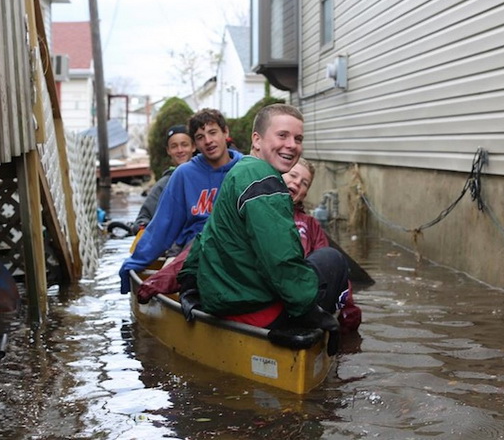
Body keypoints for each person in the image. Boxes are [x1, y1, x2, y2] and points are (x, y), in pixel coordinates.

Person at [178, 104, 348, 354]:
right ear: (256, 140)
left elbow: (207, 235)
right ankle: (298, 329)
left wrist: (189, 283)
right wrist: (311, 312)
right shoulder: (265, 181)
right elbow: (281, 259)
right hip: (253, 310)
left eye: (298, 138)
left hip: (221, 299)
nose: (292, 145)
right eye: (282, 136)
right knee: (332, 259)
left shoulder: (239, 171)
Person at [118, 109, 243, 294]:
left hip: (237, 249)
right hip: (191, 250)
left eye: (213, 132)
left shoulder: (246, 168)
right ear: (196, 143)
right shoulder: (183, 174)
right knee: (171, 282)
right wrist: (135, 262)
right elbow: (163, 225)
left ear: (225, 133)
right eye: (200, 137)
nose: (208, 141)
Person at [283, 158, 362, 333]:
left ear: (305, 193)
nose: (297, 183)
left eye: (304, 183)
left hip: (303, 291)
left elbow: (331, 271)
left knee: (332, 257)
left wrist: (349, 313)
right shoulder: (262, 208)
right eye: (293, 175)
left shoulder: (310, 224)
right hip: (275, 292)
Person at [125, 125, 196, 235]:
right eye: (174, 146)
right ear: (168, 151)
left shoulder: (207, 177)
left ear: (193, 146)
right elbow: (142, 219)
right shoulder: (163, 185)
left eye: (184, 145)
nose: (180, 150)